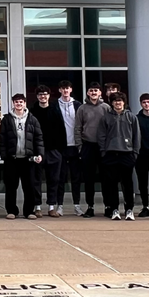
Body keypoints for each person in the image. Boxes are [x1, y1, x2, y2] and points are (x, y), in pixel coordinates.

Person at [0, 93, 44, 219]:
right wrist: (4, 156)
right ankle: (12, 211)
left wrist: (40, 154)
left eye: (21, 102)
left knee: (29, 186)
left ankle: (29, 211)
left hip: (28, 159)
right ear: (13, 104)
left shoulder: (32, 119)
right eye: (16, 102)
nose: (19, 104)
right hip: (11, 159)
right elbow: (2, 139)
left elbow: (38, 138)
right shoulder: (7, 119)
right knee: (11, 186)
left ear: (24, 103)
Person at [98, 91, 140, 220]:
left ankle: (129, 209)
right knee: (112, 184)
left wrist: (135, 153)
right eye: (115, 101)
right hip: (110, 154)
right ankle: (114, 209)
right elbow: (101, 136)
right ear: (111, 103)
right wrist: (103, 152)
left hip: (127, 154)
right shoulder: (106, 117)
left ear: (124, 102)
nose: (118, 103)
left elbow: (136, 136)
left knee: (127, 184)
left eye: (120, 101)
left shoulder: (131, 117)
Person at [74, 84, 110, 217]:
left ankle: (108, 206)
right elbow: (77, 128)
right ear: (88, 93)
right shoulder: (82, 108)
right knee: (89, 179)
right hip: (87, 146)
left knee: (106, 178)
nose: (93, 92)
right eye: (91, 90)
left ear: (100, 93)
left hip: (103, 147)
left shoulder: (106, 108)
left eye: (96, 90)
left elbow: (110, 126)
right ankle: (90, 206)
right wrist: (80, 146)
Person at [30, 86, 65, 217]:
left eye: (45, 94)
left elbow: (62, 131)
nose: (43, 96)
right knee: (36, 180)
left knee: (54, 179)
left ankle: (51, 206)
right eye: (40, 94)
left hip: (53, 151)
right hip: (37, 151)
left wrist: (60, 151)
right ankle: (37, 206)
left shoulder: (55, 110)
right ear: (37, 96)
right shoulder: (32, 111)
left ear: (49, 95)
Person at [55, 81, 84, 215]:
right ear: (60, 90)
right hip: (61, 147)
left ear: (71, 89)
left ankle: (77, 205)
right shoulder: (55, 105)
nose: (65, 90)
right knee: (60, 178)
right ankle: (59, 206)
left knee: (76, 178)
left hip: (75, 147)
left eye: (67, 88)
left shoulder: (78, 105)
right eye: (63, 88)